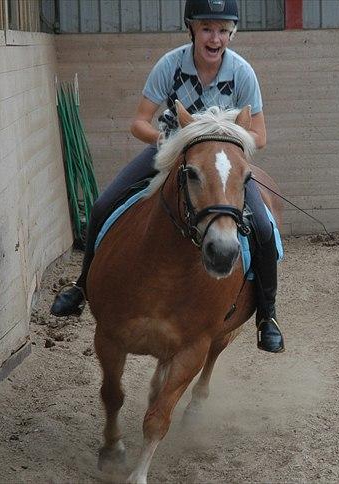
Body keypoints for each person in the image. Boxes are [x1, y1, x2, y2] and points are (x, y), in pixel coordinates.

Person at [50, 0, 284, 353]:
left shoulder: (242, 73)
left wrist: (223, 138)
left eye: (223, 30)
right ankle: (82, 286)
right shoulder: (170, 65)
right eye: (207, 28)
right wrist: (174, 140)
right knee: (101, 206)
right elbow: (139, 122)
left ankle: (267, 316)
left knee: (264, 229)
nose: (215, 38)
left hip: (220, 161)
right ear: (191, 29)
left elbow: (260, 136)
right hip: (170, 151)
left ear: (232, 33)